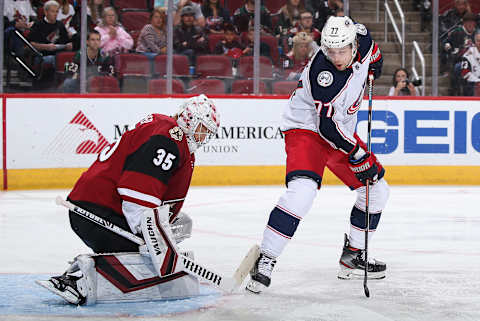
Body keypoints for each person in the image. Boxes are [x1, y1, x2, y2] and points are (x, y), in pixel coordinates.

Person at [245, 16, 388, 294]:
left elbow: (376, 54)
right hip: (307, 130)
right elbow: (326, 126)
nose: (335, 57)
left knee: (377, 191)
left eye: (341, 51)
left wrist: (374, 69)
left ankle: (353, 256)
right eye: (330, 50)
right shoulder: (324, 73)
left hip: (340, 129)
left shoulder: (364, 40)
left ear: (353, 43)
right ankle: (266, 258)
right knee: (303, 192)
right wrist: (358, 154)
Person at [36, 94, 220, 305]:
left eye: (208, 132)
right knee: (145, 256)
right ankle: (77, 280)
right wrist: (150, 236)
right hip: (97, 212)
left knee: (172, 231)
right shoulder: (170, 138)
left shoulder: (165, 129)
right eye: (202, 128)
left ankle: (83, 272)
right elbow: (137, 192)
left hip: (97, 206)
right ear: (188, 119)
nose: (203, 136)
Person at [458, 30, 480, 96]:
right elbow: (465, 72)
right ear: (475, 42)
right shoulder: (468, 55)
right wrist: (477, 81)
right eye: (478, 41)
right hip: (473, 85)